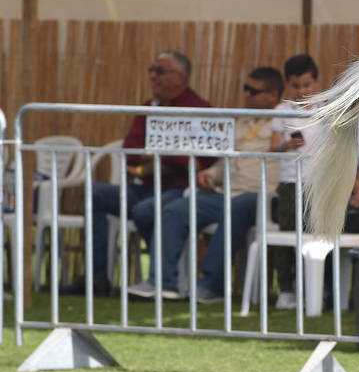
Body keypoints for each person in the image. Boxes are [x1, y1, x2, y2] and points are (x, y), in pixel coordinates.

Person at [61, 51, 212, 296]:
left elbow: (201, 159)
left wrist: (161, 157)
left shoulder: (199, 109)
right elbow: (130, 151)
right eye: (151, 70)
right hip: (145, 186)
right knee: (94, 193)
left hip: (179, 189)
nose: (153, 76)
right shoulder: (148, 108)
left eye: (160, 71)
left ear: (181, 77)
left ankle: (163, 280)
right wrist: (163, 158)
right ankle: (96, 278)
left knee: (147, 210)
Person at [126, 67, 283, 300]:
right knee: (174, 210)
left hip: (262, 196)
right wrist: (209, 174)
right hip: (225, 192)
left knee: (238, 206)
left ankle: (212, 285)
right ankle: (162, 283)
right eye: (245, 89)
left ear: (273, 95)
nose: (247, 95)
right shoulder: (240, 121)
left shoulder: (287, 122)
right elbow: (225, 162)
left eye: (254, 91)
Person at [269, 54, 325, 309]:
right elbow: (273, 145)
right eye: (296, 86)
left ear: (316, 81)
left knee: (318, 236)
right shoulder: (282, 110)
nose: (302, 91)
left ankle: (317, 289)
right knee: (288, 236)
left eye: (307, 85)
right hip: (291, 182)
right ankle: (287, 288)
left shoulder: (327, 107)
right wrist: (286, 144)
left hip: (319, 182)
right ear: (288, 85)